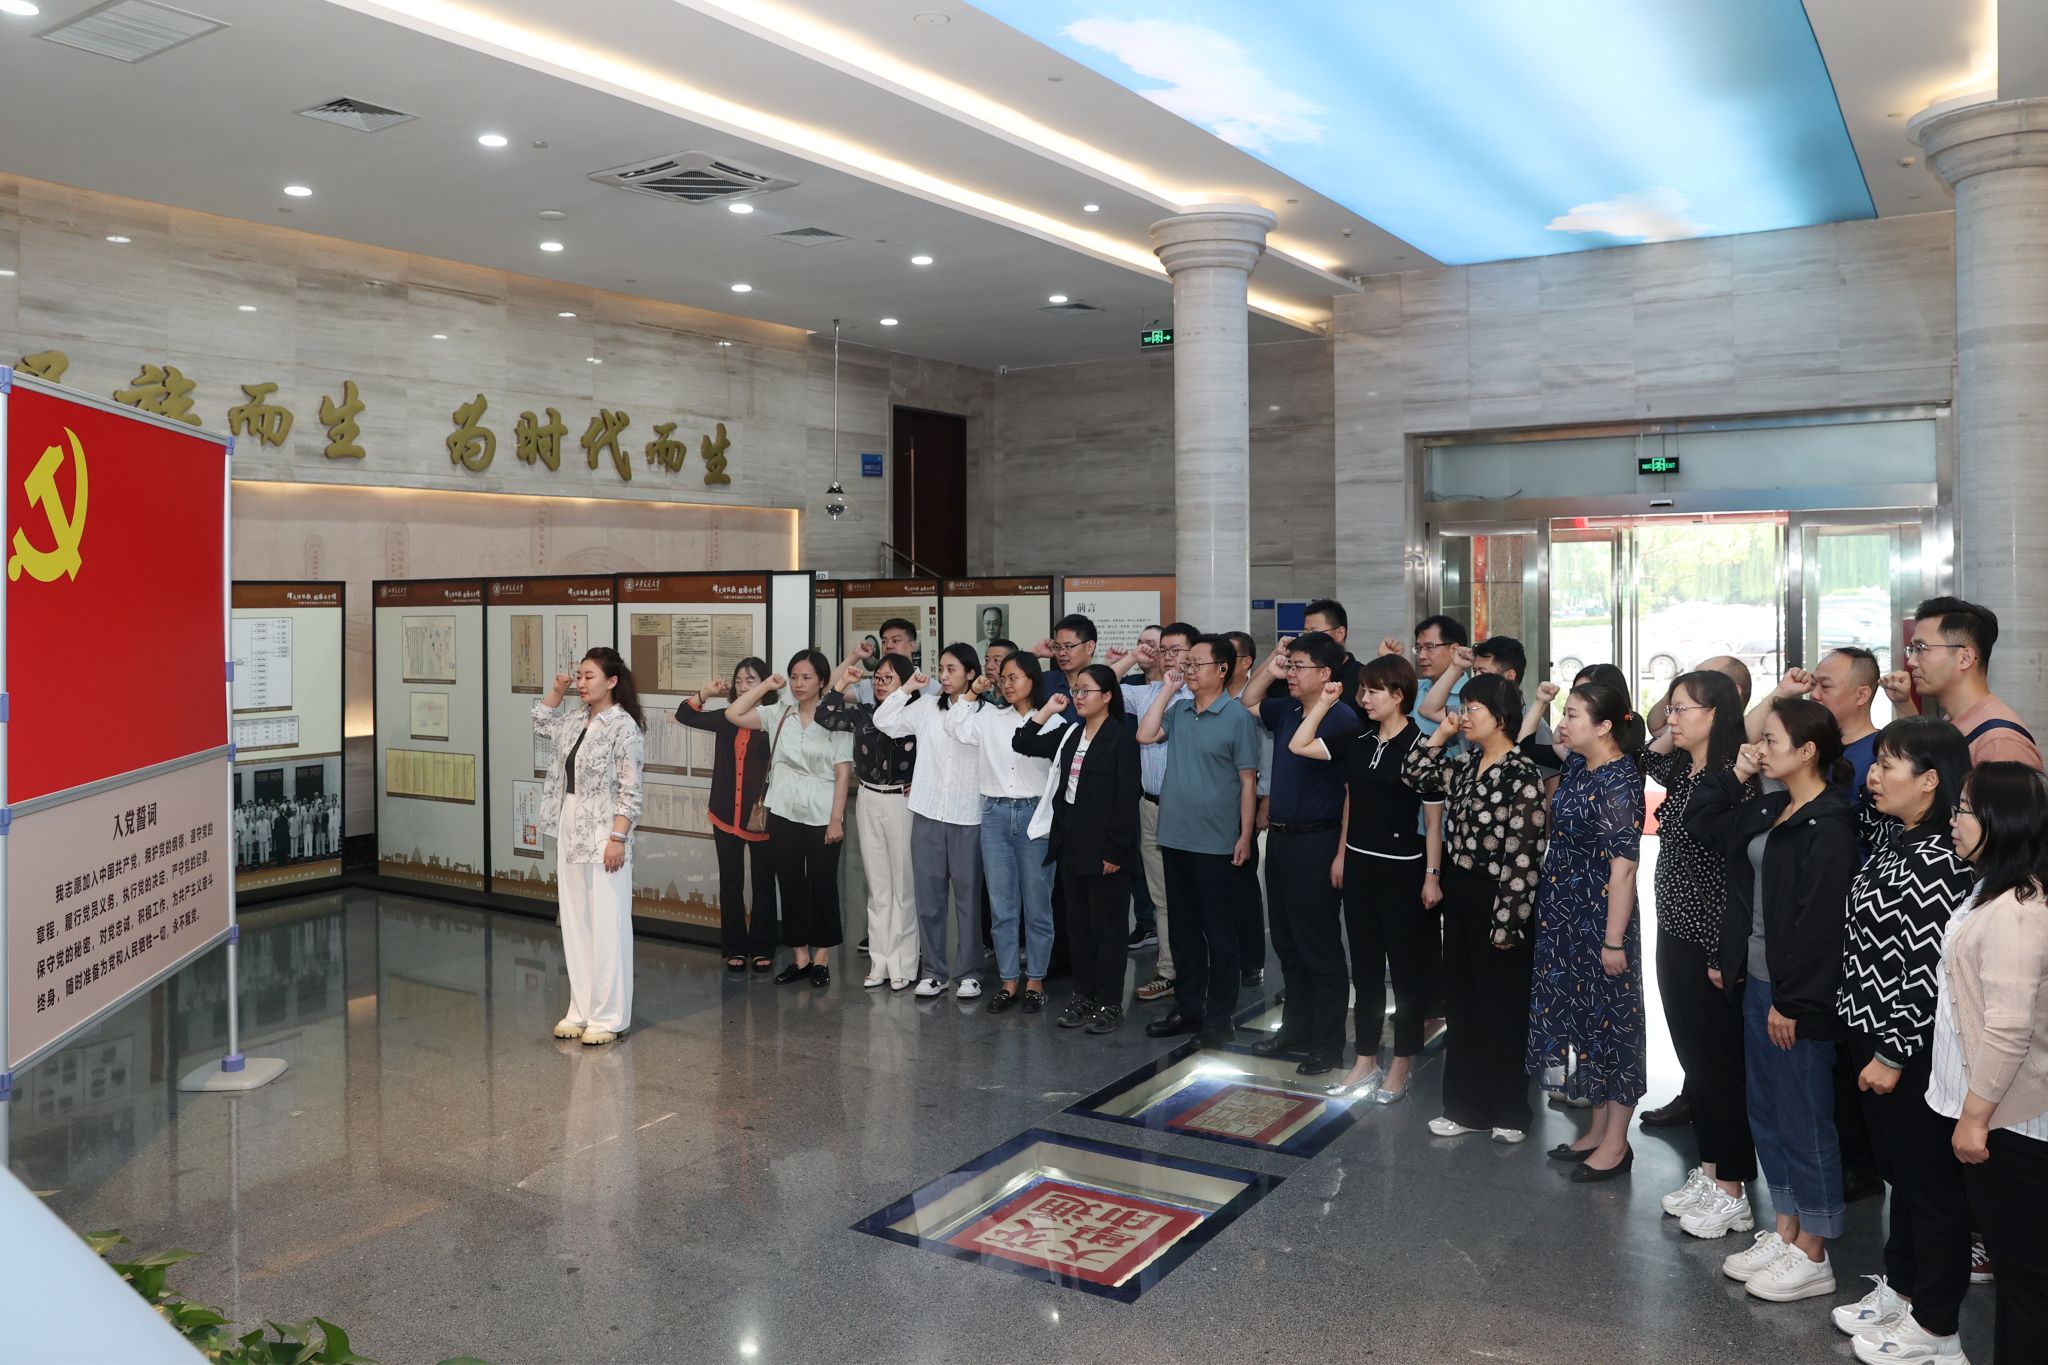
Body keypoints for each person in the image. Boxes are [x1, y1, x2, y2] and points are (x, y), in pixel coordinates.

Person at [1685, 699, 1860, 1304]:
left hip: (1793, 996)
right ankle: (1785, 1229)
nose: (1761, 749)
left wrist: (1793, 1001)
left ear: (1808, 751)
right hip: (1757, 983)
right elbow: (1701, 822)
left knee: (1804, 1117)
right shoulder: (1773, 805)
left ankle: (1814, 1249)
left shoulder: (1829, 823)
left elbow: (1821, 927)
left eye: (1772, 740)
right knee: (1767, 1111)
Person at [1828, 718, 1975, 1360]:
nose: (1875, 775)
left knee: (1930, 1186)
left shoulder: (1942, 860)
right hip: (1869, 1031)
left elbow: (1925, 970)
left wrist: (1891, 1052)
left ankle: (1938, 1327)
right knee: (1902, 1177)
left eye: (1889, 765)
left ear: (1930, 780)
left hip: (1907, 1047)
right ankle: (1905, 1289)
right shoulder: (1899, 837)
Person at [1636, 669, 1761, 1237]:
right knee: (1695, 1062)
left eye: (1683, 708)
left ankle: (1733, 1187)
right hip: (1675, 932)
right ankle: (1711, 1172)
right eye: (1670, 707)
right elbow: (1644, 757)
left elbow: (1733, 876)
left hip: (1711, 941)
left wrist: (1719, 953)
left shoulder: (1734, 779)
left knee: (1719, 1066)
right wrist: (1675, 724)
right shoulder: (1681, 767)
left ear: (1716, 715)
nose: (1671, 719)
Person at [1402, 672, 1549, 1143]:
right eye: (1462, 709)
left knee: (1501, 1005)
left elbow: (1524, 856)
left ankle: (1510, 1111)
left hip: (1502, 896)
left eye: (1472, 710)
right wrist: (1442, 733)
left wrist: (1507, 923)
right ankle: (1465, 1108)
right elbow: (1413, 772)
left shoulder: (1522, 774)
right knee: (1462, 1002)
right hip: (1460, 890)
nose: (1463, 717)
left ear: (1501, 717)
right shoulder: (1464, 764)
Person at [1290, 652, 1442, 1102]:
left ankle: (1401, 1064)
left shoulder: (1422, 747)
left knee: (1407, 974)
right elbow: (1299, 745)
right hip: (1359, 866)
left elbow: (1434, 823)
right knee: (1367, 969)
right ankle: (1365, 1060)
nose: (1365, 698)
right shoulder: (1356, 739)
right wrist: (1324, 703)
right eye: (1363, 690)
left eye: (1374, 691)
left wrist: (1432, 876)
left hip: (1404, 869)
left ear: (1399, 695)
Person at [1937, 762, 2048, 1363]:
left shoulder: (2018, 910)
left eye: (1963, 810)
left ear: (2000, 820)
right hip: (2004, 1111)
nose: (1953, 821)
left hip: (2015, 1120)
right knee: (2019, 1276)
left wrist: (1975, 1118)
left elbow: (2008, 1028)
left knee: (2025, 1282)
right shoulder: (1995, 890)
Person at [1527, 680, 1649, 1177]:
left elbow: (1624, 870)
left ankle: (1617, 1143)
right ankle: (1597, 1130)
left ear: (1604, 727)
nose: (1564, 723)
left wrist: (1613, 941)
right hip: (1565, 916)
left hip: (1600, 921)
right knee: (1584, 1022)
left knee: (1614, 1027)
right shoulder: (1580, 764)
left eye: (1573, 714)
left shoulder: (1620, 781)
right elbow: (1529, 742)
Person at [1235, 632, 1359, 1074]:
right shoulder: (1287, 708)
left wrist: (1342, 853)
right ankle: (1295, 1030)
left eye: (1298, 666)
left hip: (1318, 842)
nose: (1290, 674)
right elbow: (1248, 700)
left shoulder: (1341, 719)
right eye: (1290, 665)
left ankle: (1327, 1044)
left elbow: (1352, 793)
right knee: (1287, 943)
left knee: (1319, 947)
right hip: (1282, 839)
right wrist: (1272, 663)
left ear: (1325, 674)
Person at [1137, 634, 1260, 1048]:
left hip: (1216, 841)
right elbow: (1144, 735)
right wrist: (1167, 690)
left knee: (1219, 934)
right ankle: (1188, 1008)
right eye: (1185, 663)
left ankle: (1219, 1017)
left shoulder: (1237, 717)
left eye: (1196, 664)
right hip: (1175, 836)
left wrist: (1245, 835)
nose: (1187, 669)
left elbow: (1248, 782)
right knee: (1184, 930)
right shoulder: (1180, 710)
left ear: (1222, 670)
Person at [1013, 664, 1142, 1034]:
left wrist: (1116, 852)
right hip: (1070, 846)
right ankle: (1083, 997)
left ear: (1108, 696)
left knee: (1108, 929)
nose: (1079, 697)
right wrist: (1048, 710)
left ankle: (1109, 1002)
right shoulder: (1071, 733)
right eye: (1076, 691)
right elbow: (1023, 742)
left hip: (1106, 850)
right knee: (1078, 928)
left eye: (1087, 690)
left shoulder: (1120, 739)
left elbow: (1126, 800)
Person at [534, 647, 646, 1045]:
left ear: (612, 681)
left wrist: (618, 838)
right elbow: (540, 722)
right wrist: (556, 689)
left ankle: (609, 1015)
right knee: (576, 920)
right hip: (570, 822)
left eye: (589, 677)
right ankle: (579, 1010)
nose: (581, 683)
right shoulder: (576, 717)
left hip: (604, 830)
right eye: (579, 676)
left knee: (607, 923)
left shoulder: (623, 726)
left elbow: (631, 791)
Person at [725, 650, 854, 987]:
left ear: (822, 681)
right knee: (791, 883)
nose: (798, 684)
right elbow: (733, 713)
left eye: (807, 677)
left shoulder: (836, 718)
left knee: (823, 885)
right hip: (783, 810)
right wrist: (766, 685)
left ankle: (822, 958)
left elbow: (843, 772)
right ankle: (800, 958)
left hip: (822, 811)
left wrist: (837, 819)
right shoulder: (780, 712)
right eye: (794, 676)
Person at [952, 651, 1065, 1014]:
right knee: (1002, 906)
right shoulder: (989, 718)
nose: (1007, 684)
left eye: (1015, 677)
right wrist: (973, 692)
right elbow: (954, 725)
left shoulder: (1053, 720)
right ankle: (1008, 982)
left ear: (1033, 678)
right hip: (995, 814)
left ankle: (1035, 981)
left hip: (1035, 815)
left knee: (1037, 903)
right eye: (1003, 678)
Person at [875, 643, 988, 1001]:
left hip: (967, 816)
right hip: (926, 813)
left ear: (971, 673)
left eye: (952, 669)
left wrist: (968, 699)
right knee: (929, 899)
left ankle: (969, 973)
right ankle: (934, 972)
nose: (943, 675)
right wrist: (907, 687)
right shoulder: (925, 707)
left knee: (968, 900)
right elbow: (883, 721)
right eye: (941, 668)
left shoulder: (988, 714)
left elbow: (965, 733)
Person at [817, 647, 918, 990]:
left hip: (902, 802)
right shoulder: (864, 712)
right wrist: (841, 682)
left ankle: (904, 964)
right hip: (868, 798)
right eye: (878, 677)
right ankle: (880, 962)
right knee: (878, 888)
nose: (880, 683)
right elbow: (825, 716)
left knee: (903, 886)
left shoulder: (917, 714)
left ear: (905, 682)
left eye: (889, 678)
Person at [677, 657, 779, 973]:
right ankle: (734, 947)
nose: (743, 686)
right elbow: (685, 715)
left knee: (763, 882)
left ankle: (762, 946)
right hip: (725, 812)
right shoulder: (726, 718)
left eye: (751, 680)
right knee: (730, 881)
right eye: (739, 681)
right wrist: (705, 692)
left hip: (763, 816)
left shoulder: (775, 719)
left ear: (764, 684)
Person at [1120, 623, 1197, 1004]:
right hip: (1150, 806)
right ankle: (1168, 970)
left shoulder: (1199, 698)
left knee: (1195, 895)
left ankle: (1199, 969)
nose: (1168, 656)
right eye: (1163, 650)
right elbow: (1098, 688)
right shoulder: (1146, 692)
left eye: (1176, 649)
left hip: (1190, 811)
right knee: (1161, 897)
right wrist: (1133, 658)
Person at [1882, 596, 2043, 770]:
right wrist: (1903, 703)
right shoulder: (1953, 718)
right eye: (1912, 650)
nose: (1911, 661)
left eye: (1921, 649)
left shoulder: (2000, 742)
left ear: (1965, 658)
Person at [1748, 649, 1882, 796]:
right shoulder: (1805, 740)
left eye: (1825, 686)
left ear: (1862, 695)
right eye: (1812, 684)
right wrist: (1781, 691)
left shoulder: (1880, 751)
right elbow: (1740, 741)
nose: (1814, 694)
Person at [1224, 628, 1275, 985]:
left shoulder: (1257, 699)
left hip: (1250, 796)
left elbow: (1266, 754)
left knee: (1242, 878)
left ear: (1246, 662)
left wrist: (1265, 801)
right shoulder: (1208, 696)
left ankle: (1251, 959)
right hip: (1215, 799)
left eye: (1229, 656)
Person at [1380, 614, 1469, 738]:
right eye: (1418, 648)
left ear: (1454, 649)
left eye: (1429, 647)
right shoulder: (1414, 687)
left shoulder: (1472, 695)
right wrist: (1386, 661)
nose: (1421, 656)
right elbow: (1364, 702)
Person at [856, 618, 940, 702]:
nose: (888, 646)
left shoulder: (931, 687)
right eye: (884, 641)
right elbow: (846, 691)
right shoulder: (873, 684)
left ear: (912, 645)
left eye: (895, 640)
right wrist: (855, 655)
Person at [1303, 599, 1366, 706]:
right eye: (1305, 634)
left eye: (1314, 633)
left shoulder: (1363, 678)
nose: (1308, 641)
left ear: (1339, 634)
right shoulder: (1304, 674)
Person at [1036, 612, 1100, 704]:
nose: (1061, 653)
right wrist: (1036, 652)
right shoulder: (1047, 681)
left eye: (1069, 646)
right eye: (1057, 647)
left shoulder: (1101, 686)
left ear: (1089, 647)